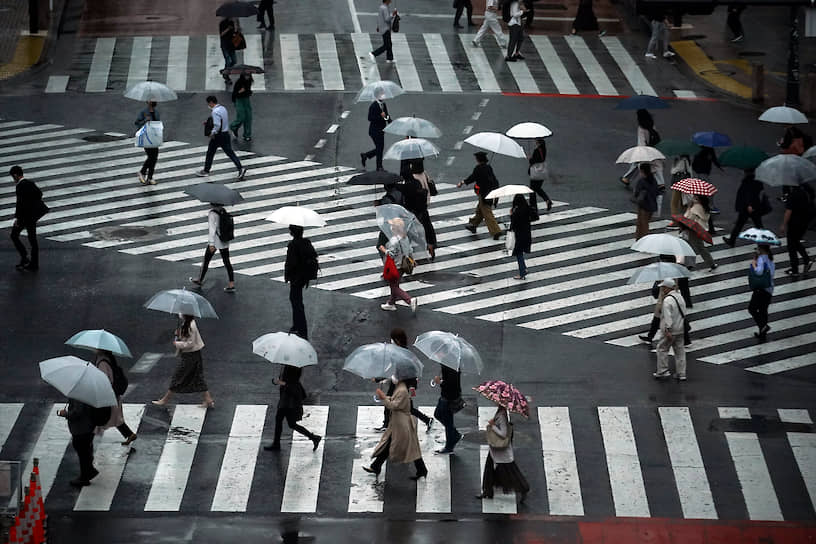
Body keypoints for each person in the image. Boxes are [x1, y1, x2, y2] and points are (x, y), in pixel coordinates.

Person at [363, 376, 428, 480]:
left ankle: (422, 470)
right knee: (399, 445)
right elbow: (394, 400)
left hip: (402, 424)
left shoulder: (402, 390)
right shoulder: (401, 386)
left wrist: (383, 398)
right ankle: (376, 466)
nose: (393, 377)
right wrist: (385, 397)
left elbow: (394, 406)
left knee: (407, 446)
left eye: (396, 376)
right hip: (398, 423)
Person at [152, 314, 215, 408]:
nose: (179, 314)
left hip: (190, 356)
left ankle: (164, 400)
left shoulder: (190, 325)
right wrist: (179, 333)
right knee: (197, 377)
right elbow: (188, 337)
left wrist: (177, 343)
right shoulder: (188, 323)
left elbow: (190, 343)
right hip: (193, 355)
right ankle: (208, 400)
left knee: (178, 376)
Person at [377, 329, 433, 432]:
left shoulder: (405, 354)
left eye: (393, 340)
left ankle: (427, 419)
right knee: (389, 400)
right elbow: (391, 368)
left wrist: (410, 386)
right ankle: (386, 424)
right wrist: (380, 378)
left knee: (408, 408)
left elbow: (411, 372)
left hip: (403, 385)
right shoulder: (396, 352)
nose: (391, 342)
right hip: (397, 383)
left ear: (398, 340)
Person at [476, 404, 529, 501]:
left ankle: (523, 488)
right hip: (496, 449)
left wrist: (492, 425)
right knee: (489, 469)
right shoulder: (501, 412)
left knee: (510, 470)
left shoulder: (502, 416)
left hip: (501, 449)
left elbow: (503, 434)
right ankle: (487, 491)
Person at [264, 365, 322, 452]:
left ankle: (276, 444)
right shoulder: (289, 365)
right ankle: (313, 437)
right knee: (289, 423)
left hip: (289, 400)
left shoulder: (293, 367)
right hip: (287, 398)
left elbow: (291, 384)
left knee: (282, 420)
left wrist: (280, 382)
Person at [196, 96, 247, 180]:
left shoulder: (215, 112)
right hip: (225, 134)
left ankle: (206, 171)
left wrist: (212, 133)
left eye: (208, 103)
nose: (208, 105)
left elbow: (217, 125)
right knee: (229, 152)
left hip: (218, 136)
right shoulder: (223, 108)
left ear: (211, 102)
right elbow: (222, 120)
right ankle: (240, 168)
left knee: (210, 152)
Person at [94, 350, 137, 446]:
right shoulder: (108, 359)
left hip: (108, 394)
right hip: (112, 394)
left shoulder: (102, 363)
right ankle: (129, 434)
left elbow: (104, 379)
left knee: (104, 416)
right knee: (115, 418)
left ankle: (88, 437)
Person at [189, 203, 236, 292]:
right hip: (224, 240)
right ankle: (231, 283)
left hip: (215, 241)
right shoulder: (223, 211)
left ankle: (200, 280)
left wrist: (211, 243)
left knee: (206, 260)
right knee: (227, 261)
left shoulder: (212, 213)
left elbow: (212, 229)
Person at [457, 152, 502, 239]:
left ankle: (496, 231)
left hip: (484, 194)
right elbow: (495, 180)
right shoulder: (488, 167)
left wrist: (462, 182)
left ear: (478, 159)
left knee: (487, 213)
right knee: (480, 210)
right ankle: (473, 225)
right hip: (491, 193)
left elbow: (472, 177)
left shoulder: (478, 168)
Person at [284, 225, 318, 339]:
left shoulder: (293, 245)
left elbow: (291, 263)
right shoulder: (306, 243)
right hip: (303, 277)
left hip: (296, 278)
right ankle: (297, 326)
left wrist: (288, 275)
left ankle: (301, 329)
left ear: (292, 232)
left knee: (296, 302)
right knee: (297, 301)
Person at [378, 218, 418, 313]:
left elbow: (391, 254)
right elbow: (410, 250)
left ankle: (409, 300)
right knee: (395, 284)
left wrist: (383, 249)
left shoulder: (394, 240)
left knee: (394, 286)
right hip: (404, 265)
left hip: (396, 266)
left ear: (394, 229)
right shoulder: (405, 237)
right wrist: (412, 260)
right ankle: (391, 303)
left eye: (392, 226)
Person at [9, 165, 44, 271]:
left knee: (14, 235)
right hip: (32, 216)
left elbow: (20, 204)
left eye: (13, 177)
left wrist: (18, 219)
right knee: (32, 239)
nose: (13, 180)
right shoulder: (30, 183)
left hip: (24, 217)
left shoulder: (20, 186)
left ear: (15, 175)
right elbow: (39, 194)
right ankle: (34, 264)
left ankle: (24, 257)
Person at [57, 399, 98, 487]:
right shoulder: (84, 393)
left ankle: (85, 476)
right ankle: (89, 471)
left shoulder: (78, 397)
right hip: (88, 426)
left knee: (82, 451)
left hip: (81, 428)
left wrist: (65, 414)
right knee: (86, 450)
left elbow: (77, 413)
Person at [653, 278, 687, 381]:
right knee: (680, 351)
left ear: (667, 287)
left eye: (663, 287)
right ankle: (681, 373)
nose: (662, 289)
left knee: (662, 349)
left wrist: (667, 329)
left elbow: (667, 316)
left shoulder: (667, 300)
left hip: (670, 329)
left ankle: (662, 371)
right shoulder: (680, 297)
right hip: (680, 328)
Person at [403, 159, 437, 260]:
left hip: (414, 207)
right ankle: (431, 244)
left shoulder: (413, 178)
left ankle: (409, 250)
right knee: (427, 225)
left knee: (410, 229)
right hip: (424, 203)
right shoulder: (424, 173)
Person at [723, 169, 765, 247]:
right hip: (755, 205)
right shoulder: (758, 179)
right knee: (757, 225)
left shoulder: (747, 181)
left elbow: (748, 193)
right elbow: (760, 190)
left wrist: (749, 204)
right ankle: (762, 243)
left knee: (740, 224)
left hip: (747, 207)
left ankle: (732, 240)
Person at [780, 184, 815, 277]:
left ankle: (795, 269)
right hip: (804, 222)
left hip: (794, 223)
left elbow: (789, 211)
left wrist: (783, 224)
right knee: (795, 242)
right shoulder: (804, 193)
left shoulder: (792, 195)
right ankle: (807, 260)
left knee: (791, 246)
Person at [620, 109, 655, 187]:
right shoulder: (652, 125)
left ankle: (627, 178)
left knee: (638, 164)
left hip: (642, 149)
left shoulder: (641, 127)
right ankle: (626, 178)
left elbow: (641, 140)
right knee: (638, 164)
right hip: (651, 148)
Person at [432, 365, 462, 454]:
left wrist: (440, 382)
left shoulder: (451, 367)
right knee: (438, 414)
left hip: (449, 397)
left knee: (448, 422)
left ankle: (449, 447)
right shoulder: (447, 364)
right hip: (445, 395)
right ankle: (455, 434)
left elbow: (451, 383)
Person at [748, 244, 775, 342]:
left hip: (761, 289)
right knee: (763, 310)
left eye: (758, 248)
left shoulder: (761, 259)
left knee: (752, 308)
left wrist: (754, 264)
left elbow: (759, 272)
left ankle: (763, 326)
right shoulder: (770, 258)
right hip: (769, 289)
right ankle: (762, 333)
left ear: (761, 249)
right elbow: (771, 273)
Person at [683, 195, 717, 271]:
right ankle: (710, 263)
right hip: (700, 229)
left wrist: (689, 207)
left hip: (694, 230)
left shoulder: (696, 207)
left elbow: (687, 217)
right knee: (697, 246)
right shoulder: (704, 206)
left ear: (699, 198)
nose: (693, 197)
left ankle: (710, 263)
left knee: (696, 247)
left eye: (695, 196)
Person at [360, 96, 391, 171]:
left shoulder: (383, 104)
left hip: (381, 130)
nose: (384, 96)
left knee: (380, 148)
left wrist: (390, 121)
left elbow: (386, 115)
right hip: (374, 131)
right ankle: (379, 167)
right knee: (380, 148)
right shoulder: (373, 106)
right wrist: (381, 117)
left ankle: (366, 155)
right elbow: (370, 118)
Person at [135, 101, 160, 185]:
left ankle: (149, 177)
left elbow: (158, 123)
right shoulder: (144, 112)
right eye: (152, 101)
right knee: (151, 157)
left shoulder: (156, 112)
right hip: (146, 137)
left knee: (154, 157)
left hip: (154, 137)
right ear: (148, 102)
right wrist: (145, 120)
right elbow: (137, 123)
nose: (154, 102)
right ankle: (142, 172)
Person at [510, 194, 533, 280]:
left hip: (520, 235)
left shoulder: (517, 212)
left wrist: (512, 214)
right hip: (527, 234)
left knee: (518, 253)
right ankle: (524, 269)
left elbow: (513, 225)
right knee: (519, 253)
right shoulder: (527, 208)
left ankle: (522, 272)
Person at [634, 163, 659, 240]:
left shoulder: (641, 181)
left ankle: (640, 240)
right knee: (645, 224)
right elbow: (657, 192)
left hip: (643, 205)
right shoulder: (653, 180)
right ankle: (642, 240)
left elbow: (636, 193)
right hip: (652, 205)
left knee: (641, 225)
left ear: (642, 171)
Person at [528, 138, 552, 217]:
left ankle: (533, 208)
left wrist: (530, 159)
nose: (535, 142)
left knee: (532, 190)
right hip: (541, 172)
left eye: (536, 141)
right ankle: (547, 200)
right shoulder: (543, 149)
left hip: (536, 173)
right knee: (537, 188)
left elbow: (534, 161)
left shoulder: (537, 150)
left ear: (538, 142)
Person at [230, 72, 253, 142]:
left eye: (249, 75)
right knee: (241, 116)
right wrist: (240, 92)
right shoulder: (239, 82)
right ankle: (233, 127)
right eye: (246, 75)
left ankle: (247, 135)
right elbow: (234, 94)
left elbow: (248, 92)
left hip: (246, 100)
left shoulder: (249, 82)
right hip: (239, 100)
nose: (247, 77)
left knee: (248, 117)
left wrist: (248, 91)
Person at [219, 18, 237, 85]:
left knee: (234, 61)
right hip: (224, 45)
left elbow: (233, 33)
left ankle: (225, 71)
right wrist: (228, 29)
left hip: (231, 45)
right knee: (228, 60)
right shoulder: (222, 23)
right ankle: (226, 76)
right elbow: (221, 34)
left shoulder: (232, 22)